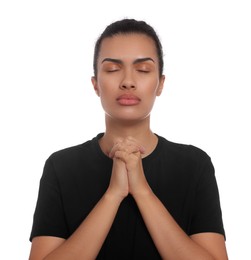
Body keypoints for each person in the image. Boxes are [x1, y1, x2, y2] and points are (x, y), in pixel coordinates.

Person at [29, 18, 228, 259]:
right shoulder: (61, 167)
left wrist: (142, 191)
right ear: (95, 85)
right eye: (112, 69)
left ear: (160, 84)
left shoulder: (194, 165)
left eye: (143, 70)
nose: (128, 82)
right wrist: (113, 195)